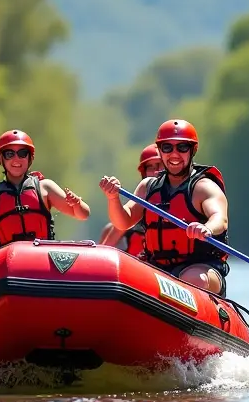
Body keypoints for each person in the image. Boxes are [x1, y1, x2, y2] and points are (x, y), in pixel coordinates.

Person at [98, 119, 230, 295]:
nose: (174, 154)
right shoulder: (148, 187)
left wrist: (207, 228)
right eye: (167, 147)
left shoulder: (204, 187)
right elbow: (123, 221)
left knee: (193, 279)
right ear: (160, 150)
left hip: (200, 267)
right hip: (157, 268)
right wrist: (113, 198)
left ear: (193, 150)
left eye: (182, 147)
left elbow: (220, 218)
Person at [0, 129, 90, 258]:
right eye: (9, 154)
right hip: (8, 261)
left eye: (22, 153)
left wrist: (77, 204)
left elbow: (83, 215)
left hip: (42, 257)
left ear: (30, 158)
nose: (16, 159)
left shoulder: (45, 187)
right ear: (0, 158)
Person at [98, 144, 164, 255]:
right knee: (109, 228)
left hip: (175, 262)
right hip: (139, 263)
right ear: (144, 173)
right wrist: (113, 198)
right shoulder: (139, 202)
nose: (155, 172)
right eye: (150, 167)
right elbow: (104, 251)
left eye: (159, 165)